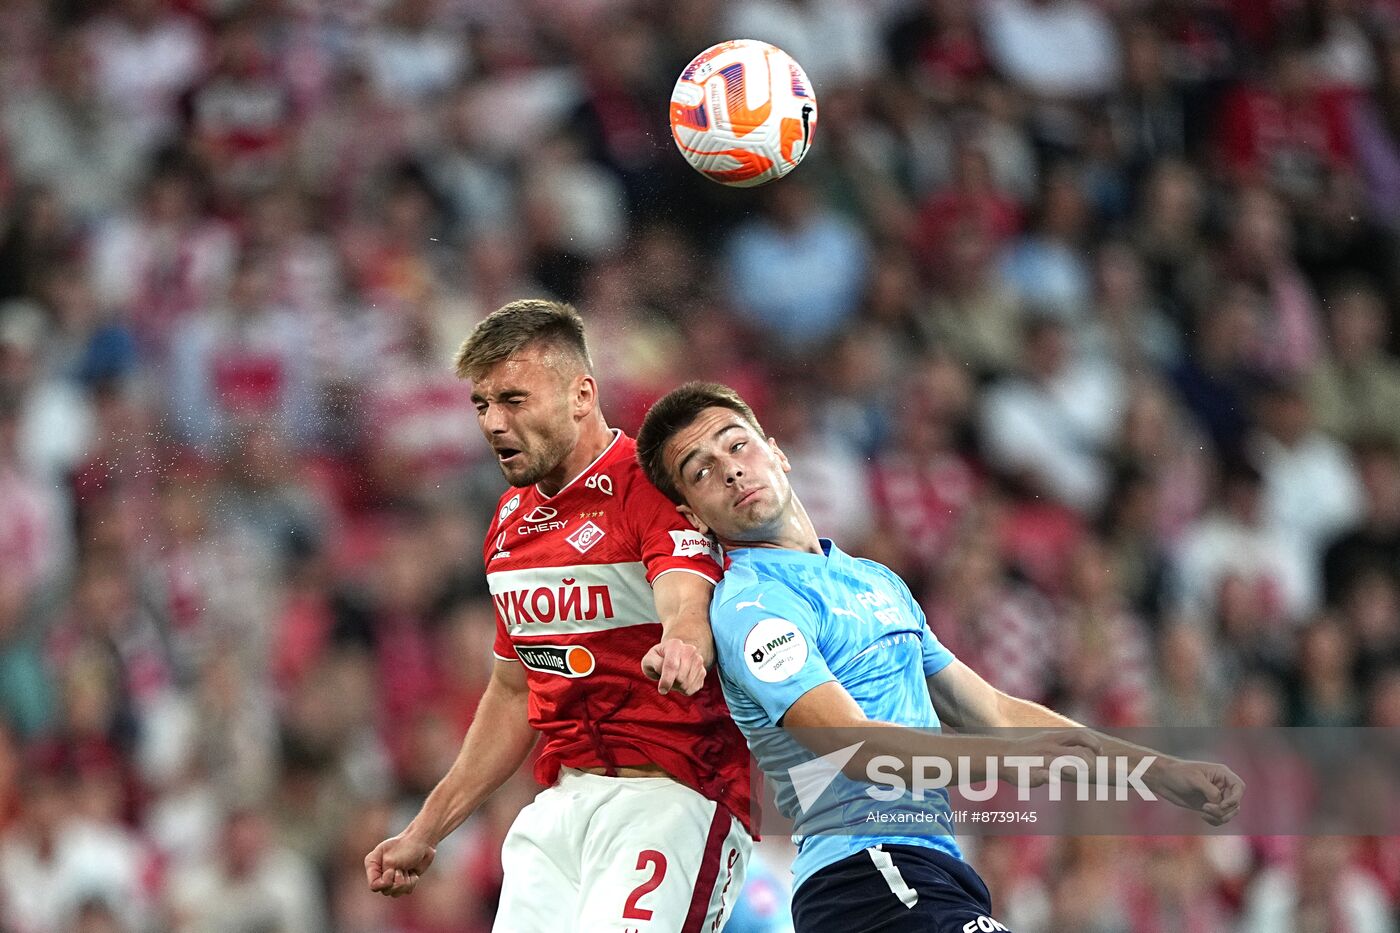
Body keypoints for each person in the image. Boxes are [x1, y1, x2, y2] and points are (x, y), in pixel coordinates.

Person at [636, 382, 1245, 933]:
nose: (732, 472)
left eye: (737, 446)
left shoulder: (873, 581)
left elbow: (999, 714)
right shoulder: (753, 607)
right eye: (702, 470)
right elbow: (854, 748)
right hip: (868, 874)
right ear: (692, 514)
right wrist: (1003, 760)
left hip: (930, 872)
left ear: (777, 452)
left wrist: (1159, 773)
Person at [364, 303, 753, 931]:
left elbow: (685, 590)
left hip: (673, 797)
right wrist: (426, 828)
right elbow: (514, 688)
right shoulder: (509, 524)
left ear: (581, 395)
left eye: (513, 400)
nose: (494, 423)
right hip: (561, 806)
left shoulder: (649, 483)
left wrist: (684, 640)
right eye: (482, 405)